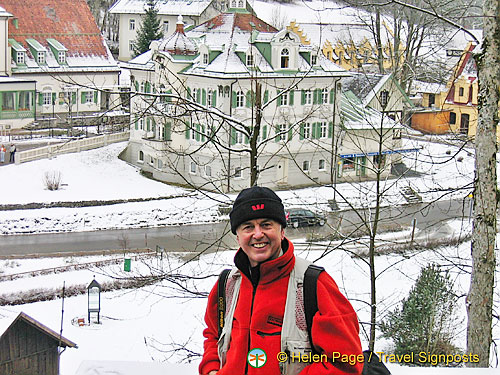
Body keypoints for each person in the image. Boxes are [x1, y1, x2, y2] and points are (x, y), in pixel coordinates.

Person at [199, 186, 363, 375]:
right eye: (248, 227)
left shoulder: (313, 284)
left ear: (282, 231)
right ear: (238, 237)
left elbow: (346, 362)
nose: (258, 234)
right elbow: (213, 334)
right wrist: (211, 369)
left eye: (266, 224)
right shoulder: (228, 284)